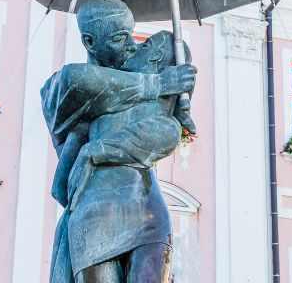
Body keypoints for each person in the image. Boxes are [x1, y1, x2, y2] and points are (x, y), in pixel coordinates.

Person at [41, 0, 196, 283]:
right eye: (118, 38)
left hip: (147, 209)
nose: (131, 46)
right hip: (94, 214)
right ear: (89, 42)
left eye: (132, 36)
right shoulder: (61, 87)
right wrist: (158, 84)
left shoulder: (143, 93)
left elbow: (166, 134)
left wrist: (179, 97)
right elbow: (81, 81)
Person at [66, 30, 195, 212]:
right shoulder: (119, 97)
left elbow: (100, 149)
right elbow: (75, 78)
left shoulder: (166, 125)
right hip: (89, 208)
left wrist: (90, 152)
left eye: (145, 45)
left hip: (127, 215)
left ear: (156, 57)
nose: (135, 47)